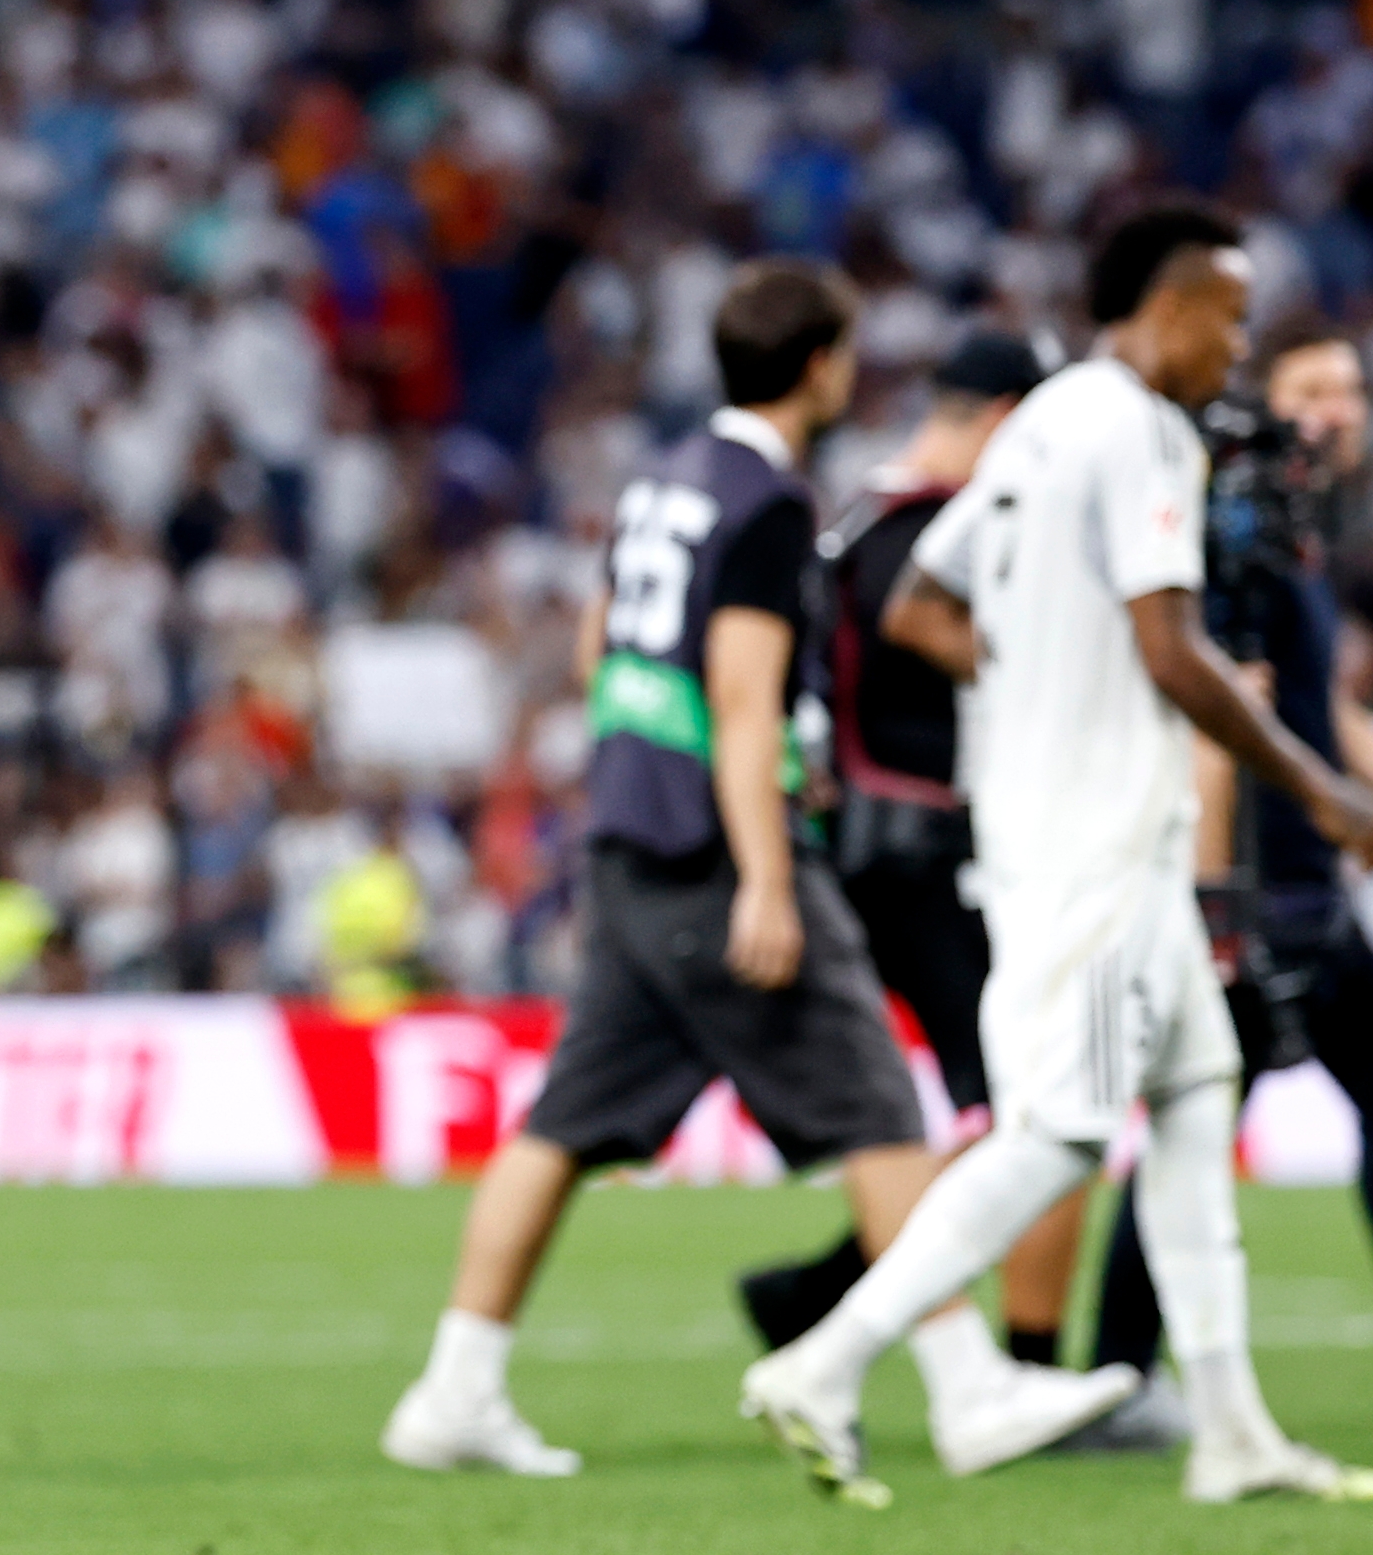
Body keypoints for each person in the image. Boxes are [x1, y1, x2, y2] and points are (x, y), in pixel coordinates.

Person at [383, 262, 1130, 1483]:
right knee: (883, 1116)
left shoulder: (661, 483)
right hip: (712, 857)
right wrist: (768, 875)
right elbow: (740, 696)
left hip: (634, 837)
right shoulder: (765, 502)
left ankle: (453, 1390)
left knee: (564, 1127)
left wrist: (655, 772)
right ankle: (966, 1387)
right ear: (821, 365)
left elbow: (601, 651)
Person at [742, 201, 1373, 1506]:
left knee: (1197, 1098)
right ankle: (824, 1360)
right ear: (1166, 301)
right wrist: (1317, 786)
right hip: (1090, 849)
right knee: (1063, 1133)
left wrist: (1037, 687)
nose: (1234, 344)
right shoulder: (1136, 429)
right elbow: (1167, 646)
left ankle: (1230, 1427)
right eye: (1229, 314)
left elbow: (926, 598)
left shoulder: (1037, 421)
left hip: (1080, 835)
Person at [738, 331, 1093, 1367]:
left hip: (863, 847)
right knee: (1040, 1108)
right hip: (935, 857)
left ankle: (828, 1284)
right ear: (1005, 419)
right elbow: (931, 631)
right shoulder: (935, 529)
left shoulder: (854, 515)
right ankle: (1016, 1361)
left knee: (996, 1111)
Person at [1074, 308, 1373, 1440]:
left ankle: (1112, 1371)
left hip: (1296, 876)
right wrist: (1214, 908)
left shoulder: (1290, 539)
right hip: (1258, 884)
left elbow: (1320, 712)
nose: (1336, 411)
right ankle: (1109, 1372)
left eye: (1349, 388)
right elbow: (1217, 719)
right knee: (1194, 1123)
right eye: (1310, 390)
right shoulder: (1229, 538)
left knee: (1198, 1124)